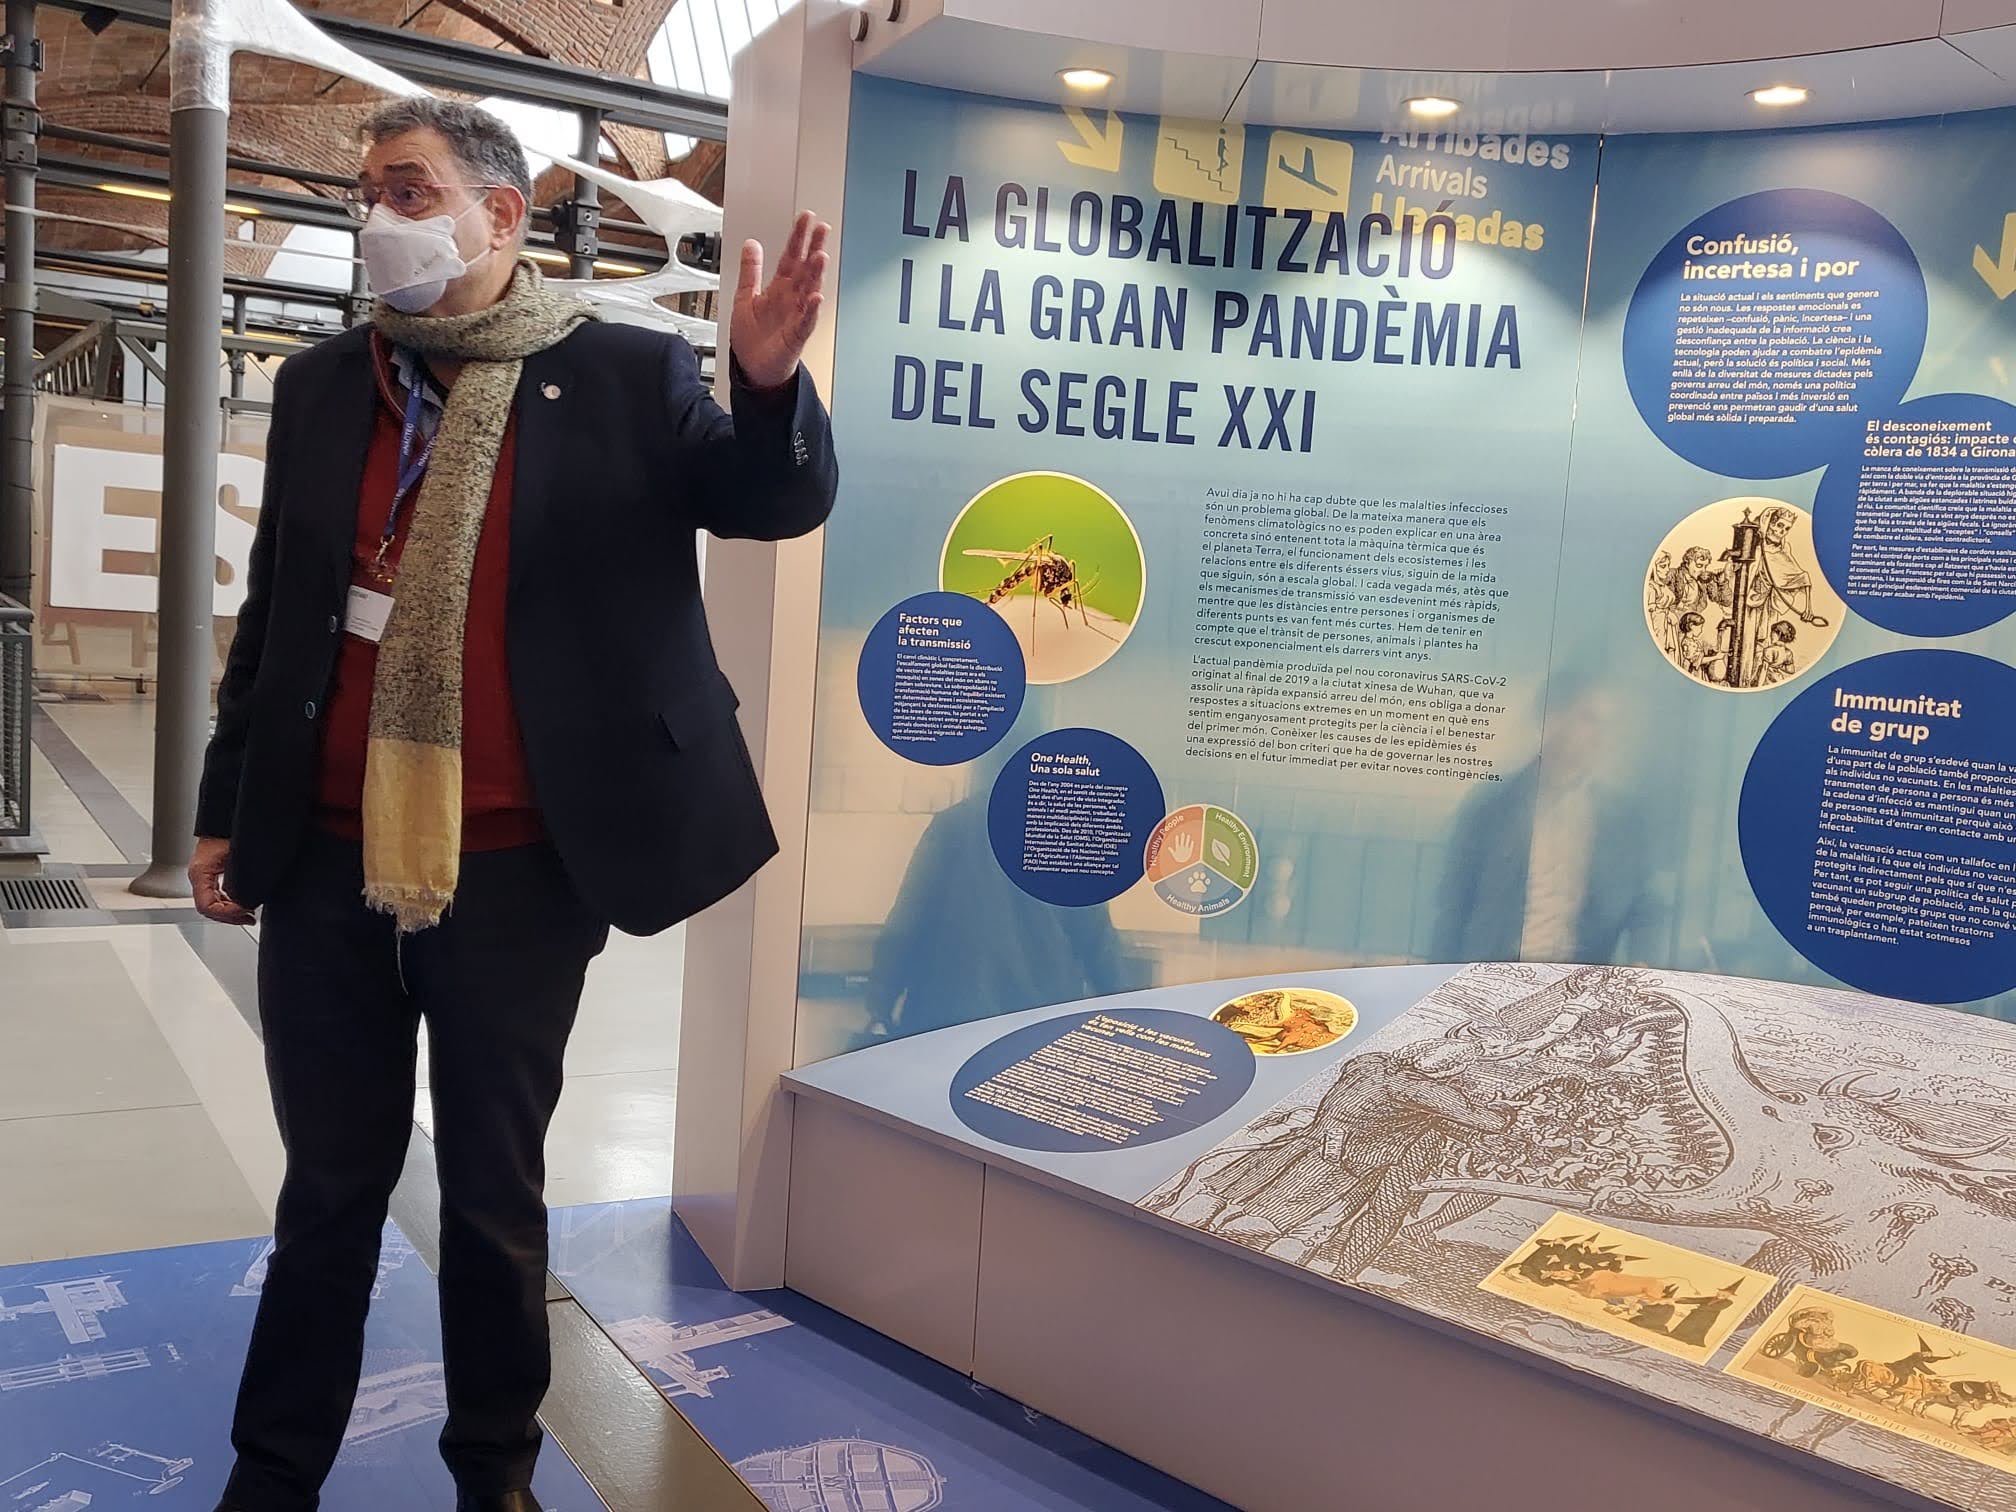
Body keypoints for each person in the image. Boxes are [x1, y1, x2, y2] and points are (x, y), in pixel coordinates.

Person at [189, 98, 837, 1512]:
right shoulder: (323, 385)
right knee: (327, 1191)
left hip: (520, 870)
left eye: (410, 190)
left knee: (492, 1192)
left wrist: (767, 384)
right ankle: (272, 1475)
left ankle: (495, 1473)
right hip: (328, 863)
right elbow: (280, 612)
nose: (380, 217)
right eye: (368, 191)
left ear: (501, 213)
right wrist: (224, 806)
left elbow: (765, 502)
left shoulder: (621, 370)